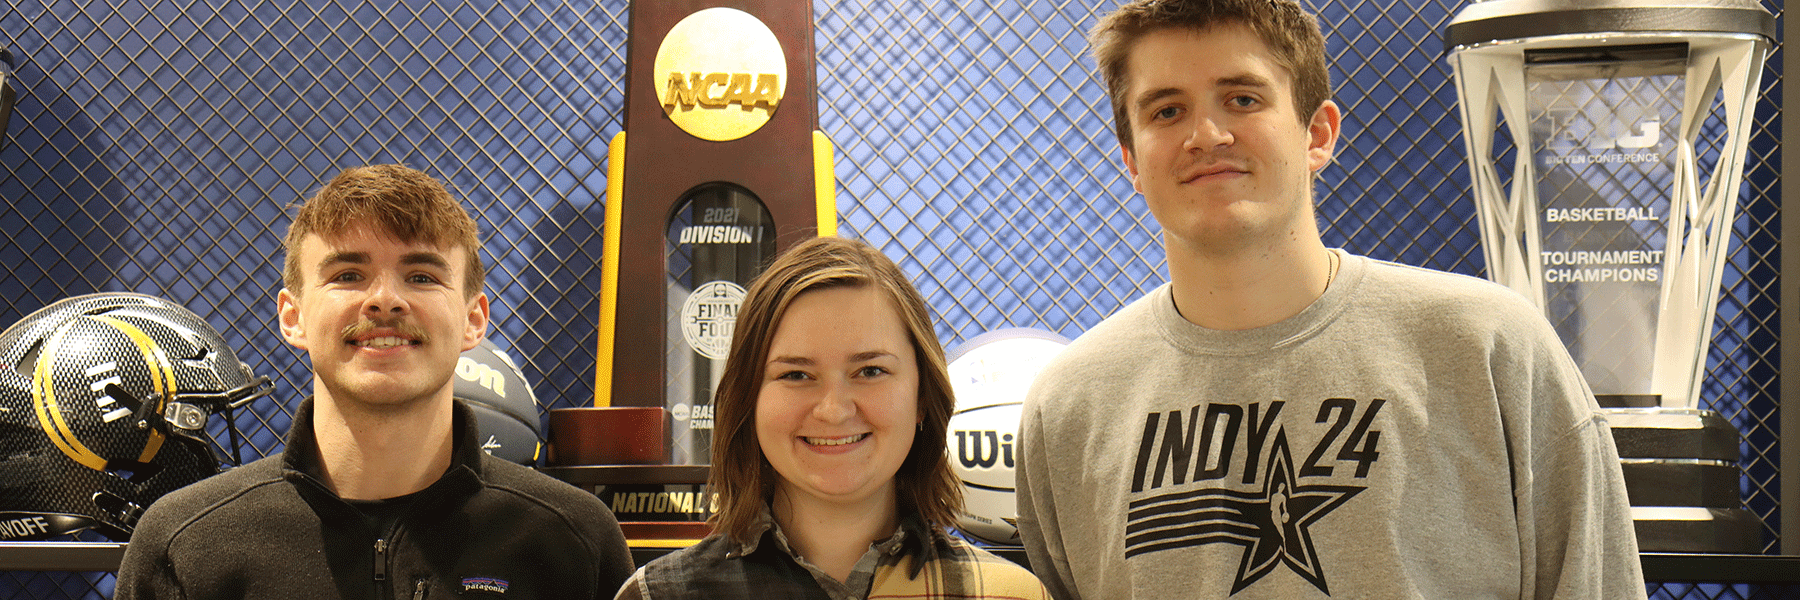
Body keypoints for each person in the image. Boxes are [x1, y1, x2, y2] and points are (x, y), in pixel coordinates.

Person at [1014, 1, 1645, 598]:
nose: (1206, 134)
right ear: (1131, 158)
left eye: (1241, 99)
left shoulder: (1486, 345)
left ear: (1318, 133)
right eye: (1166, 112)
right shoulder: (1071, 406)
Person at [115, 164, 635, 599]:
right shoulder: (184, 546)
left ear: (474, 319)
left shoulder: (572, 540)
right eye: (347, 275)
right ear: (292, 317)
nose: (385, 299)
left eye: (422, 276)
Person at [615, 236, 1047, 600]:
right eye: (796, 374)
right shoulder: (658, 596)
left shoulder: (1009, 595)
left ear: (922, 395)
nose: (834, 409)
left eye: (871, 371)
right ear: (749, 399)